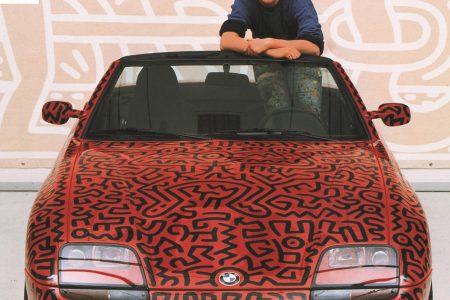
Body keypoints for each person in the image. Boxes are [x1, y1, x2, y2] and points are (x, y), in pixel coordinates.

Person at [219, 0, 324, 120]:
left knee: (309, 120)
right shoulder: (246, 2)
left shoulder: (298, 2)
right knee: (277, 120)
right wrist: (272, 52)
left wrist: (270, 43)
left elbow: (314, 46)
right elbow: (226, 41)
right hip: (267, 64)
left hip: (302, 64)